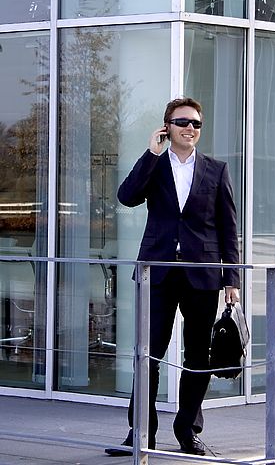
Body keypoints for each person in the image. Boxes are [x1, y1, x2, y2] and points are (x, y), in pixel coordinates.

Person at [105, 97, 240, 457]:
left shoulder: (216, 170)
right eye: (183, 122)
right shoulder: (156, 167)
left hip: (202, 275)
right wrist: (151, 153)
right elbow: (127, 196)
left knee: (198, 356)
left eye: (196, 124)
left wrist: (233, 281)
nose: (190, 129)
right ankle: (141, 434)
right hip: (158, 275)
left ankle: (187, 431)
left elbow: (229, 229)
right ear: (168, 127)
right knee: (148, 354)